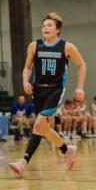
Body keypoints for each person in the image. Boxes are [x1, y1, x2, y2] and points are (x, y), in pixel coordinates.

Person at [8, 13, 87, 177]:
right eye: (44, 25)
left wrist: (80, 87)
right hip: (38, 90)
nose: (45, 28)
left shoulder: (67, 47)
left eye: (49, 25)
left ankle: (23, 163)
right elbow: (27, 67)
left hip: (56, 89)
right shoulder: (34, 46)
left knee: (37, 125)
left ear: (58, 29)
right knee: (43, 129)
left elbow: (81, 65)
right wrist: (25, 81)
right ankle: (67, 149)